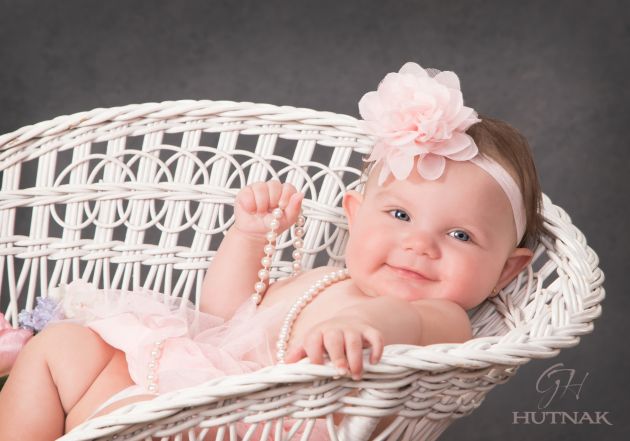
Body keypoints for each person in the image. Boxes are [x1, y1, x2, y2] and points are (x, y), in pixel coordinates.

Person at [0, 62, 547, 440]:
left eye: (460, 236)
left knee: (149, 416)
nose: (419, 245)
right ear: (355, 215)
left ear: (506, 270)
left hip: (243, 423)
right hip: (174, 379)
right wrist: (249, 237)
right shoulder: (320, 280)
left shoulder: (440, 316)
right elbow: (222, 314)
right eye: (400, 215)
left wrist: (362, 326)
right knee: (62, 346)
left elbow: (405, 321)